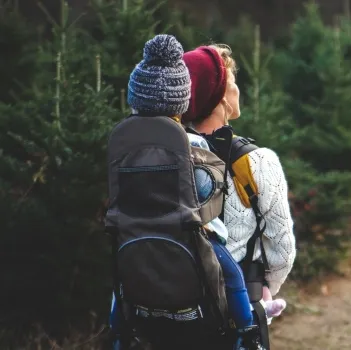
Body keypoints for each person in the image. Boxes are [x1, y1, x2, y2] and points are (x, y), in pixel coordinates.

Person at [106, 34, 273, 349]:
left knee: (121, 284)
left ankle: (116, 334)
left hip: (131, 232)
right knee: (232, 274)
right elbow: (207, 190)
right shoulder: (189, 143)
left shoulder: (123, 141)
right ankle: (248, 332)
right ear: (180, 101)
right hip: (187, 232)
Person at [182, 43, 295, 335]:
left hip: (176, 306)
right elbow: (282, 249)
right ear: (220, 97)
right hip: (238, 308)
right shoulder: (258, 162)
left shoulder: (168, 156)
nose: (237, 90)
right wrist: (265, 290)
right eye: (232, 83)